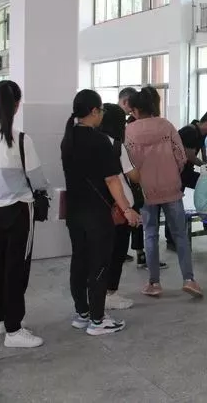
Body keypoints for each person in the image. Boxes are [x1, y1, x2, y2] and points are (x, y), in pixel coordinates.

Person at [0, 80, 49, 349]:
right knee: (17, 267)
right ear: (17, 105)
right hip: (19, 209)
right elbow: (37, 179)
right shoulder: (21, 139)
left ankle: (0, 319)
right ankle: (14, 329)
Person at [62, 92, 140, 336]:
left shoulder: (68, 138)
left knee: (79, 261)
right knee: (99, 264)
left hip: (74, 211)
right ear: (94, 111)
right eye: (101, 111)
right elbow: (112, 180)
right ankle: (98, 320)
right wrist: (127, 210)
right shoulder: (99, 141)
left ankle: (82, 314)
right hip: (97, 213)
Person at [125, 86, 203, 298]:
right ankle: (189, 280)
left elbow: (128, 162)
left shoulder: (129, 131)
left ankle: (154, 283)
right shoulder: (166, 125)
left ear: (136, 109)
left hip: (145, 190)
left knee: (150, 234)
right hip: (171, 187)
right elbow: (181, 156)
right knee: (180, 235)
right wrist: (172, 171)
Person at [99, 103, 143, 312]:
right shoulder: (116, 146)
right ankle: (110, 293)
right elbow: (133, 176)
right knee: (116, 253)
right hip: (119, 207)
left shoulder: (87, 142)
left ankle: (97, 293)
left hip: (95, 207)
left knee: (99, 254)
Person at [119, 86, 152, 264]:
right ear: (126, 102)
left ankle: (138, 251)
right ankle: (123, 250)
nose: (133, 111)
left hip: (130, 173)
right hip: (122, 175)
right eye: (132, 108)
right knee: (125, 210)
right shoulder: (117, 120)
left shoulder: (130, 122)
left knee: (135, 210)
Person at [178, 109, 207, 190]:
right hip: (177, 172)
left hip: (185, 170)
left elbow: (204, 152)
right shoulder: (190, 131)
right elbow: (190, 157)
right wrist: (206, 166)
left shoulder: (202, 133)